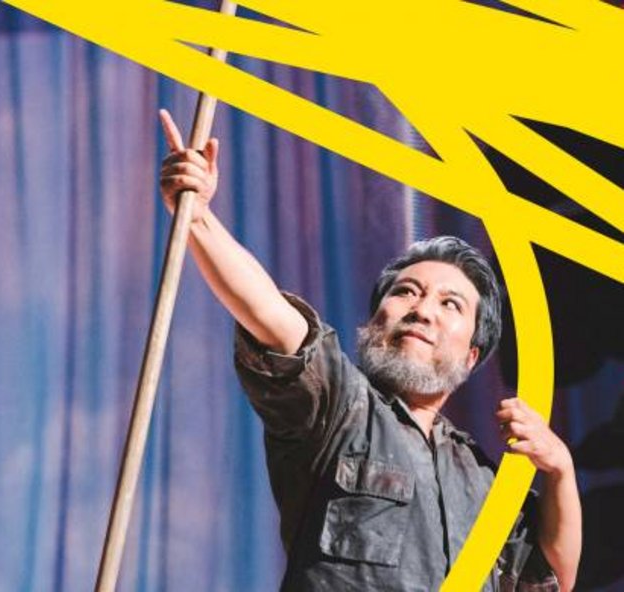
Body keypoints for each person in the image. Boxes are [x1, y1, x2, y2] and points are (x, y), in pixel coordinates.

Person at [157, 110, 582, 591]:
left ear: (471, 356)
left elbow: (552, 574)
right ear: (374, 320)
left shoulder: (481, 477)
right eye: (406, 292)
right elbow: (272, 316)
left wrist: (560, 469)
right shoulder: (339, 407)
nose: (422, 310)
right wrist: (198, 217)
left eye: (450, 304)